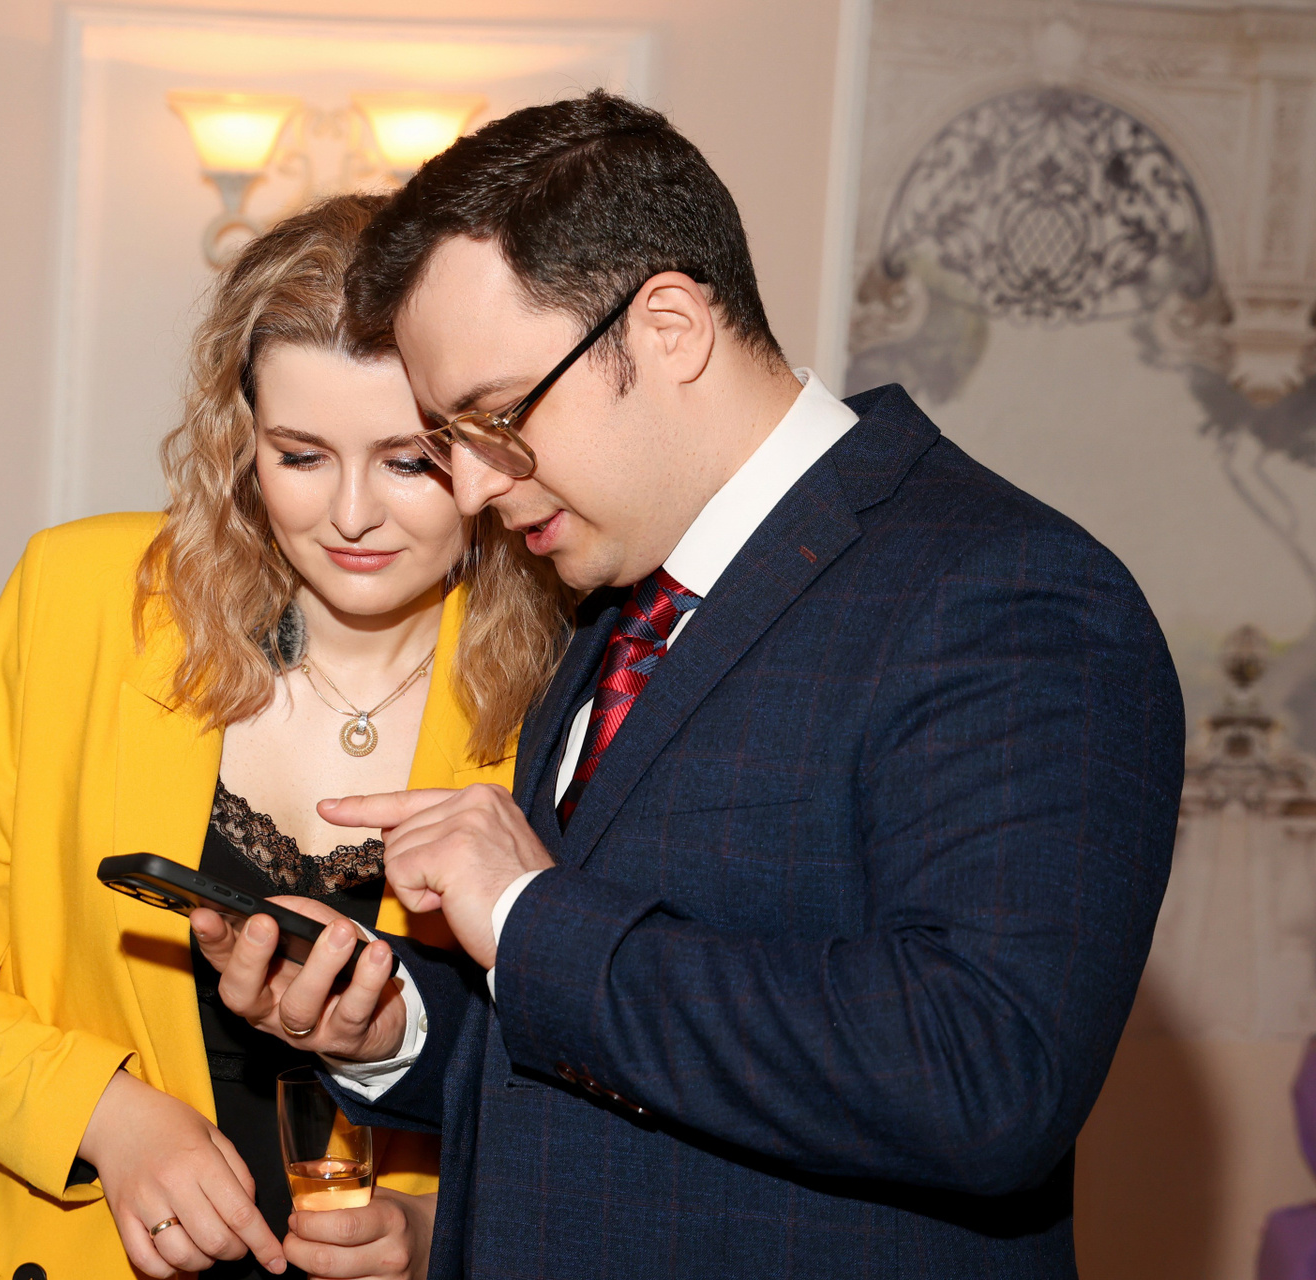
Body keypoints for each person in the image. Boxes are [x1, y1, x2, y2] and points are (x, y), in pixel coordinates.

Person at [196, 92, 1186, 1278]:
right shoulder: (611, 601)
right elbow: (600, 1059)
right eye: (453, 436)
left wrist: (527, 917)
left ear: (668, 327)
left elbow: (984, 1075)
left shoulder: (1007, 589)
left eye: (498, 416)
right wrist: (392, 1022)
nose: (470, 488)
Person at [0, 193, 568, 1280]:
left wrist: (429, 1234)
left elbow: (580, 1064)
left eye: (409, 461)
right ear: (241, 439)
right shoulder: (84, 598)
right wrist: (107, 1115)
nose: (350, 514)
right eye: (301, 455)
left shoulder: (567, 683)